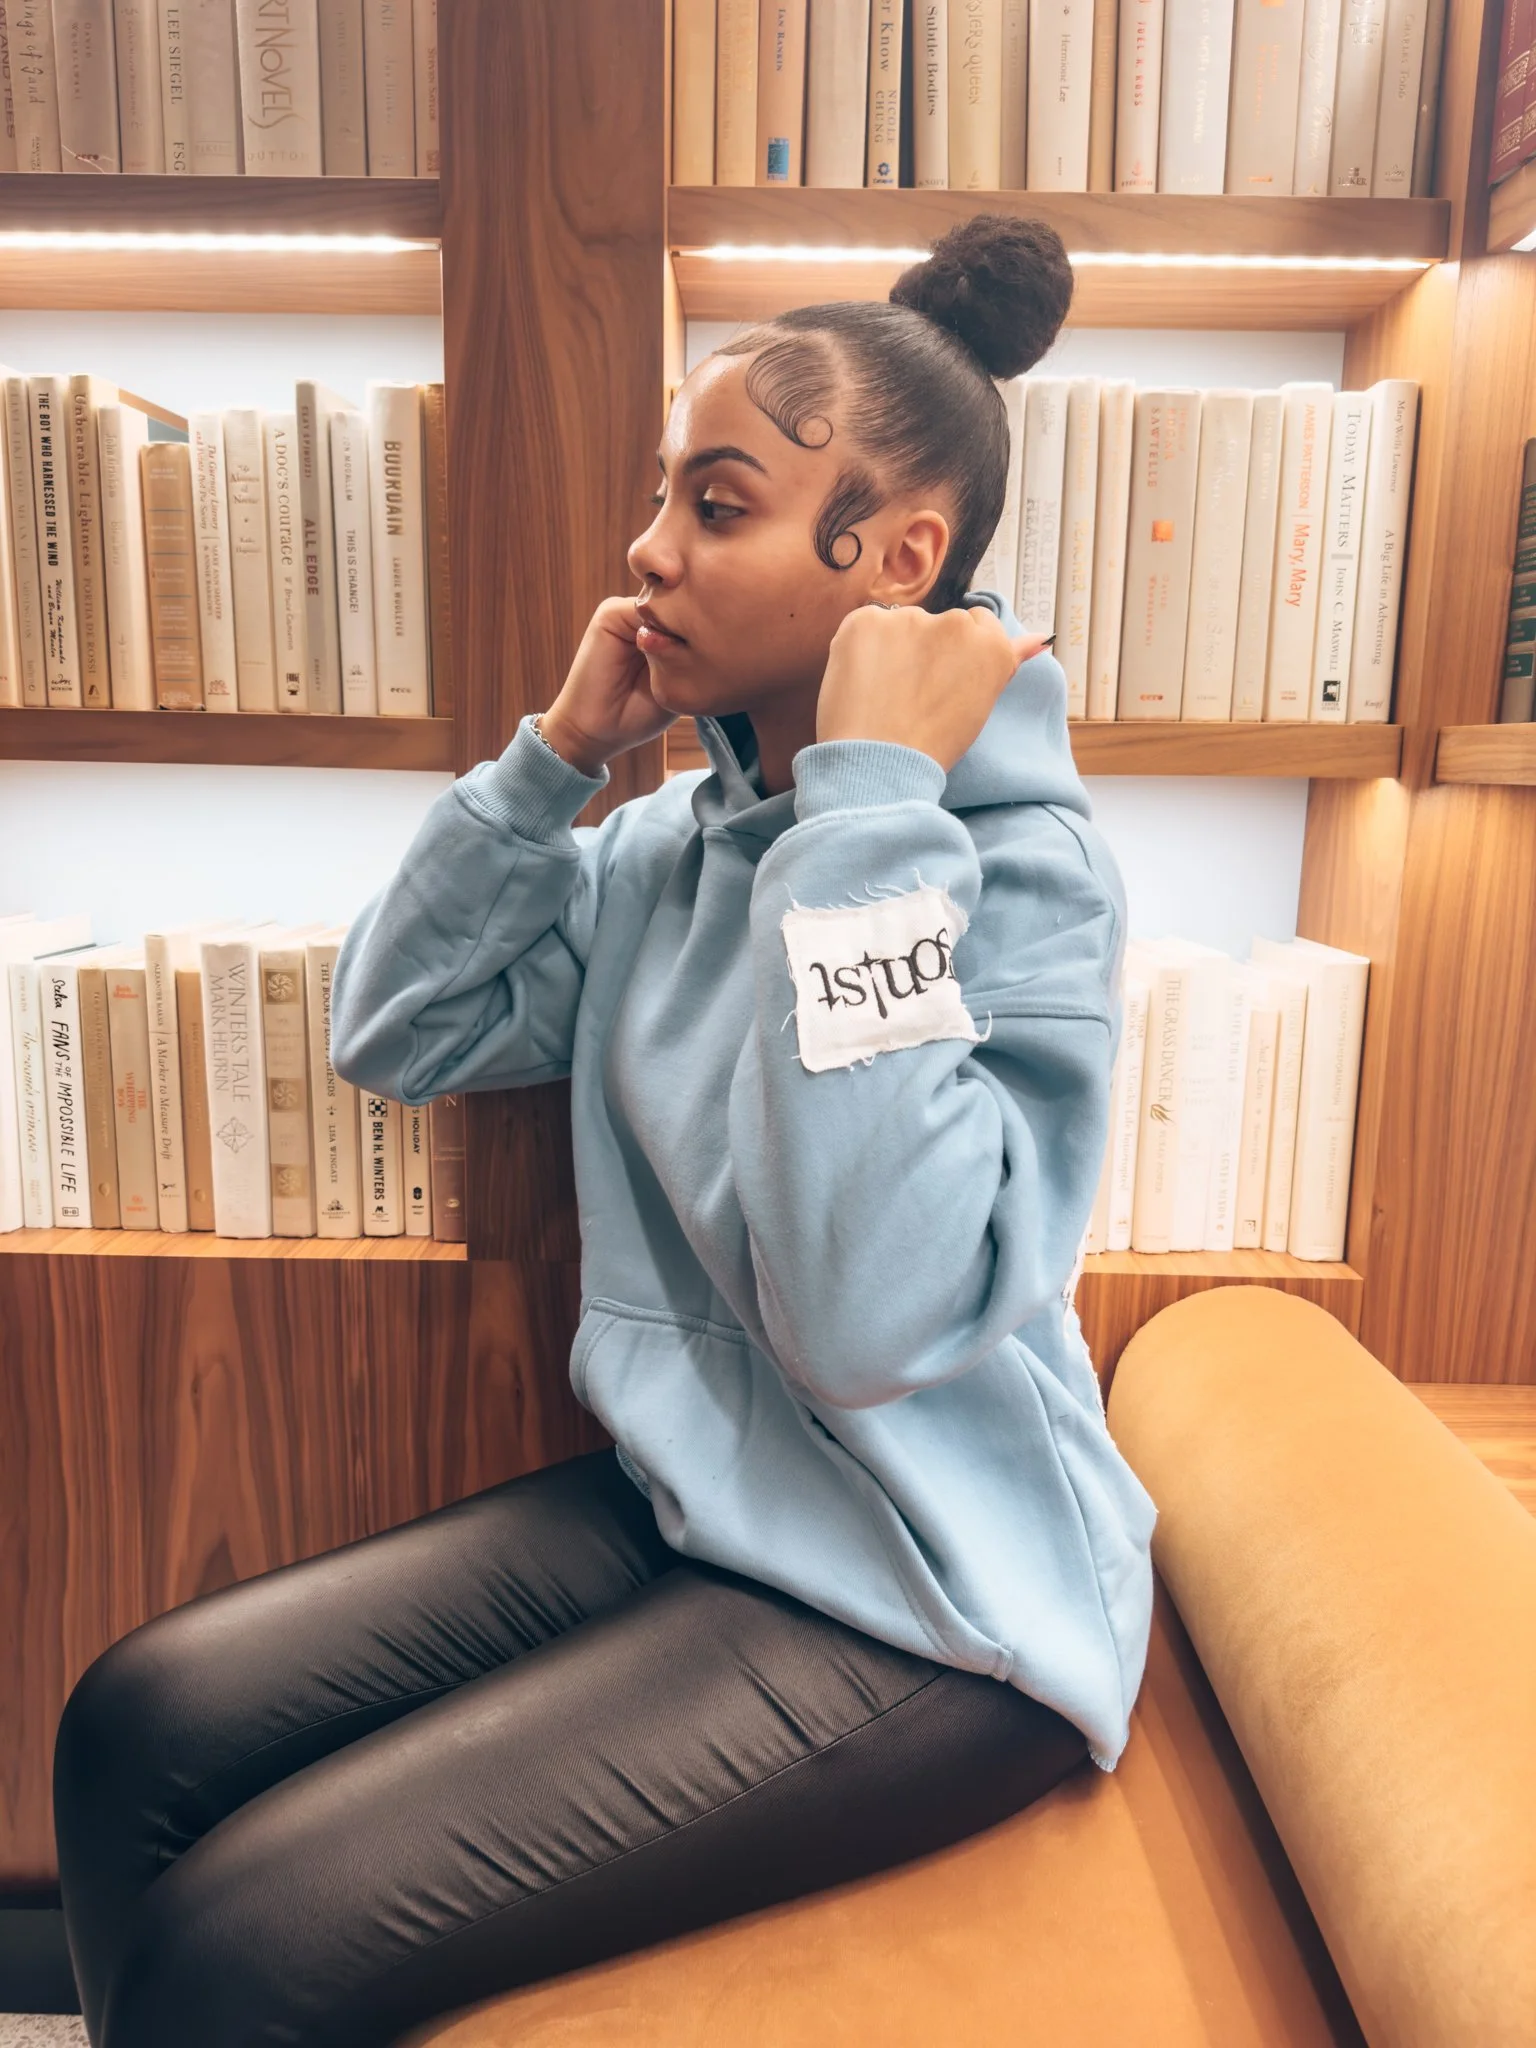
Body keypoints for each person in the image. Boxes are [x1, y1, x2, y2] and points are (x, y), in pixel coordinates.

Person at [52, 213, 1159, 2048]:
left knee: (238, 1953)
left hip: (940, 1597)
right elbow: (399, 1032)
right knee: (138, 1724)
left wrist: (875, 804)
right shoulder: (673, 846)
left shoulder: (1012, 875)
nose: (647, 552)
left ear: (895, 558)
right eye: (669, 496)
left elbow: (869, 1317)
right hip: (713, 1502)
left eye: (715, 507)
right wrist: (557, 758)